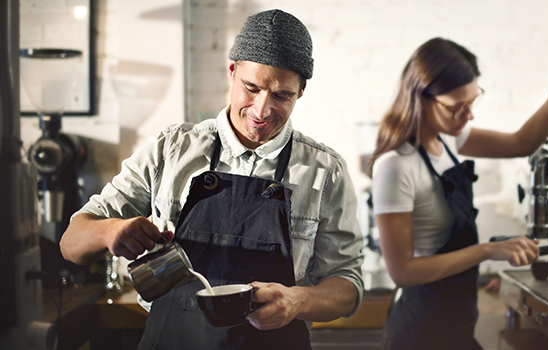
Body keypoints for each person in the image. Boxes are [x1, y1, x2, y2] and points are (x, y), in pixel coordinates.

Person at [59, 9, 364, 350]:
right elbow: (71, 244)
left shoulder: (325, 170)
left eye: (282, 96)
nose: (261, 111)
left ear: (301, 91)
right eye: (251, 88)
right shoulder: (170, 149)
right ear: (232, 71)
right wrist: (109, 231)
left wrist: (297, 301)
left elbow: (347, 284)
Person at [369, 38, 548, 350]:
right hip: (420, 329)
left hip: (458, 321)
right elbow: (402, 271)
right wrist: (486, 251)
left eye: (472, 101)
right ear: (421, 98)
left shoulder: (449, 141)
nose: (468, 116)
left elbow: (523, 142)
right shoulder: (396, 165)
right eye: (456, 107)